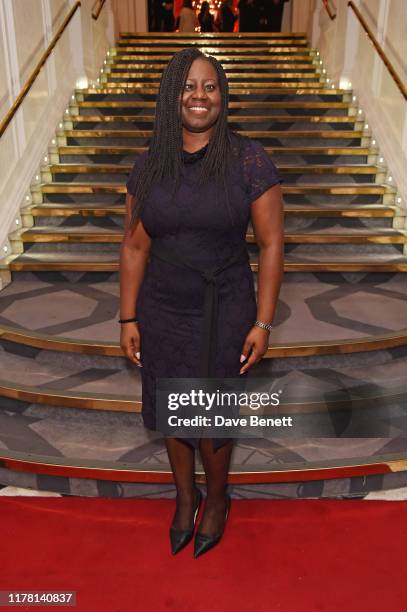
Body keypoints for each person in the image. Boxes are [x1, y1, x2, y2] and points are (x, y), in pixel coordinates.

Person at [120, 48, 284, 557]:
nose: (198, 96)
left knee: (211, 417)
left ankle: (216, 498)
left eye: (209, 86)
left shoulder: (248, 160)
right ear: (171, 96)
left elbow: (272, 243)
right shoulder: (148, 165)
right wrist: (127, 314)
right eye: (188, 86)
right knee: (174, 407)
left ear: (222, 96)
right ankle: (184, 496)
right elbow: (134, 245)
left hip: (226, 303)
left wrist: (263, 321)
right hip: (162, 307)